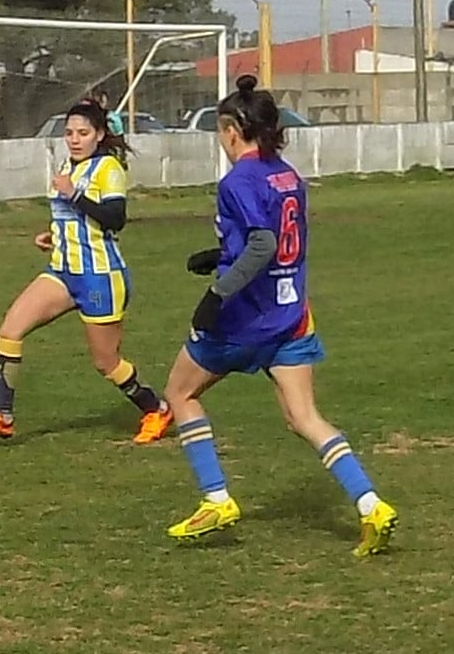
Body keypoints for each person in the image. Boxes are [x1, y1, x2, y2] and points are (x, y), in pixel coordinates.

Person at [162, 74, 398, 558]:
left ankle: (216, 499)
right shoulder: (287, 174)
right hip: (291, 315)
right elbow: (270, 238)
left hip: (244, 318)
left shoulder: (238, 179)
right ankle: (372, 504)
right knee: (304, 416)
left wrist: (218, 290)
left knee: (179, 393)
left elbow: (263, 243)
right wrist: (221, 253)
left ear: (231, 130)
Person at [0, 99, 172, 444]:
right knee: (10, 330)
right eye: (69, 132)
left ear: (99, 135)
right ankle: (1, 416)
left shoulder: (108, 169)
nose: (74, 139)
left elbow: (115, 219)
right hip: (62, 271)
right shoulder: (67, 166)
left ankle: (156, 409)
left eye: (83, 133)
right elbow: (72, 217)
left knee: (106, 362)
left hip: (99, 276)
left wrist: (73, 196)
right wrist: (53, 234)